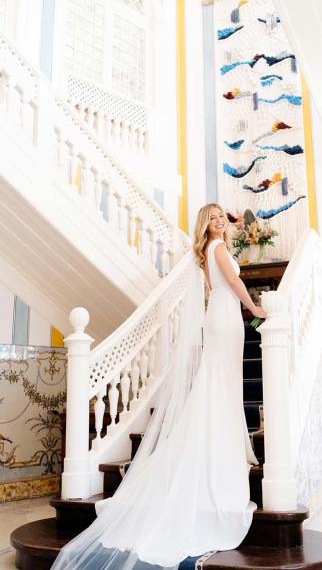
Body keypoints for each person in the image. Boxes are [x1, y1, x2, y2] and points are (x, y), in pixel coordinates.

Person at [51, 203, 267, 570]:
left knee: (220, 384)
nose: (217, 222)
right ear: (206, 227)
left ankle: (218, 441)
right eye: (211, 219)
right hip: (227, 316)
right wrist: (255, 308)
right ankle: (217, 447)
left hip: (219, 316)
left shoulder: (209, 252)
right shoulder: (218, 249)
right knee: (220, 385)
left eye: (220, 217)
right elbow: (233, 282)